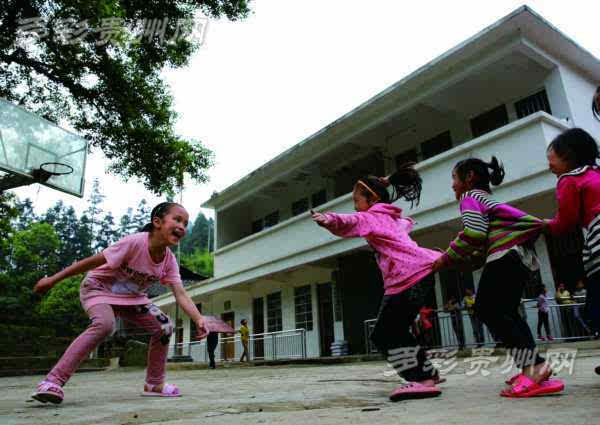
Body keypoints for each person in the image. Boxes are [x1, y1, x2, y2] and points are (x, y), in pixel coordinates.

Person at [30, 202, 208, 404]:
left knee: (164, 327)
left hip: (133, 299)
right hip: (98, 288)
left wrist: (198, 318)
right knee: (105, 325)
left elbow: (181, 294)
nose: (182, 226)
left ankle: (154, 384)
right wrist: (53, 280)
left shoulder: (169, 261)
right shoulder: (134, 243)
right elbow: (91, 261)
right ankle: (52, 382)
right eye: (177, 220)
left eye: (185, 223)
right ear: (157, 222)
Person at [432, 156, 564, 398]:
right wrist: (458, 259)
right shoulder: (487, 199)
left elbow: (473, 233)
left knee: (487, 309)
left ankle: (534, 367)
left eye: (453, 178)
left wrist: (446, 258)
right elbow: (482, 245)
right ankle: (532, 366)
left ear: (469, 177)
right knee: (506, 312)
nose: (452, 185)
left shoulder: (470, 197)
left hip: (506, 257)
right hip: (518, 257)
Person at [311, 163, 443, 401]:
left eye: (356, 198)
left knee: (383, 334)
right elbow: (404, 223)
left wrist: (328, 218)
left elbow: (349, 222)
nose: (355, 204)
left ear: (370, 199)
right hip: (421, 274)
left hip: (407, 277)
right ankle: (427, 374)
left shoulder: (371, 217)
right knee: (396, 330)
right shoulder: (390, 217)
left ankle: (421, 380)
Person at [544, 127, 600, 352]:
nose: (549, 166)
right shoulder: (595, 172)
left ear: (568, 156)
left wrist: (543, 225)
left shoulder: (569, 179)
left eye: (552, 160)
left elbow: (565, 221)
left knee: (596, 304)